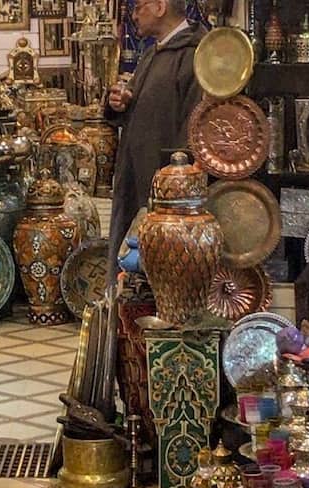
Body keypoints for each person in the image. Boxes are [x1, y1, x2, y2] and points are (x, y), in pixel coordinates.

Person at [104, 0, 206, 283]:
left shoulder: (194, 54)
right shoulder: (153, 53)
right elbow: (141, 103)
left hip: (168, 188)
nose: (134, 15)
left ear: (160, 6)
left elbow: (195, 123)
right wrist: (119, 103)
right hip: (140, 174)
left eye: (139, 7)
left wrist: (177, 180)